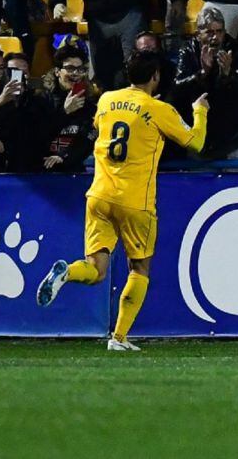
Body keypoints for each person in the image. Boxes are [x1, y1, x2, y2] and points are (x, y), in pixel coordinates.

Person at [36, 50, 209, 351]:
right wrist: (200, 111)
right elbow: (196, 143)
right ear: (155, 76)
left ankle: (68, 272)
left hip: (99, 194)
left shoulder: (105, 100)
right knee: (139, 269)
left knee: (96, 270)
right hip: (135, 201)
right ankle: (118, 338)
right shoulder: (158, 109)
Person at [172, 6, 238, 159]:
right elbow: (177, 90)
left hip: (232, 136)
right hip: (198, 135)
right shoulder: (188, 50)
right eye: (209, 32)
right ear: (197, 34)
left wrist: (228, 74)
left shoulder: (236, 49)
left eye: (219, 31)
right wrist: (203, 73)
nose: (215, 37)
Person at [39, 44, 97, 172]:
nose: (76, 74)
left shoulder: (88, 104)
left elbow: (88, 139)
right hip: (41, 170)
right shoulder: (41, 99)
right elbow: (35, 136)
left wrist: (63, 155)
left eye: (80, 69)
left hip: (73, 170)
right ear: (57, 71)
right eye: (70, 68)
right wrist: (64, 113)